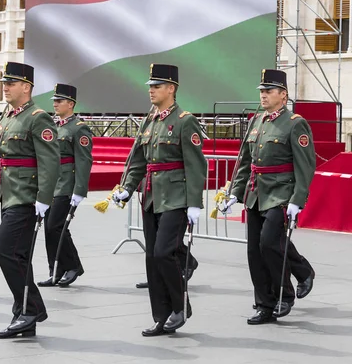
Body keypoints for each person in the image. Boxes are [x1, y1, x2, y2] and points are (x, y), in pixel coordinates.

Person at [113, 64, 206, 336]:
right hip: (152, 197)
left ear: (171, 89)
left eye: (156, 86)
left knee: (166, 252)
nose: (151, 90)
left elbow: (196, 165)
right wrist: (127, 188)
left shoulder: (185, 120)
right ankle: (161, 315)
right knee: (152, 257)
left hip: (176, 197)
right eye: (150, 86)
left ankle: (180, 306)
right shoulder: (149, 120)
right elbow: (139, 161)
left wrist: (194, 203)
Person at [0, 62, 60, 338]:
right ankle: (26, 312)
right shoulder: (8, 116)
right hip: (9, 195)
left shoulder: (38, 117)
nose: (5, 87)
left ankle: (30, 309)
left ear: (27, 87)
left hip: (27, 197)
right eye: (4, 83)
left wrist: (44, 198)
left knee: (5, 250)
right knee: (17, 254)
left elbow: (50, 162)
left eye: (11, 83)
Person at [225, 69, 316, 324]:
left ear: (283, 95)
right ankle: (264, 304)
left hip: (281, 193)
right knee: (254, 251)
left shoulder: (295, 123)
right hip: (256, 193)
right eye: (262, 91)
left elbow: (305, 165)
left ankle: (284, 296)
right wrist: (235, 191)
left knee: (269, 244)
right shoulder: (257, 121)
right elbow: (246, 161)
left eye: (269, 91)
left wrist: (298, 200)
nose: (263, 95)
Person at [37, 84, 92, 287]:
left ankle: (72, 266)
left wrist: (79, 190)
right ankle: (56, 270)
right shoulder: (54, 127)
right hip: (52, 185)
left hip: (67, 185)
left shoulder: (79, 128)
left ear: (71, 103)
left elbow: (84, 161)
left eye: (59, 101)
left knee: (56, 226)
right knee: (49, 229)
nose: (55, 104)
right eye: (54, 100)